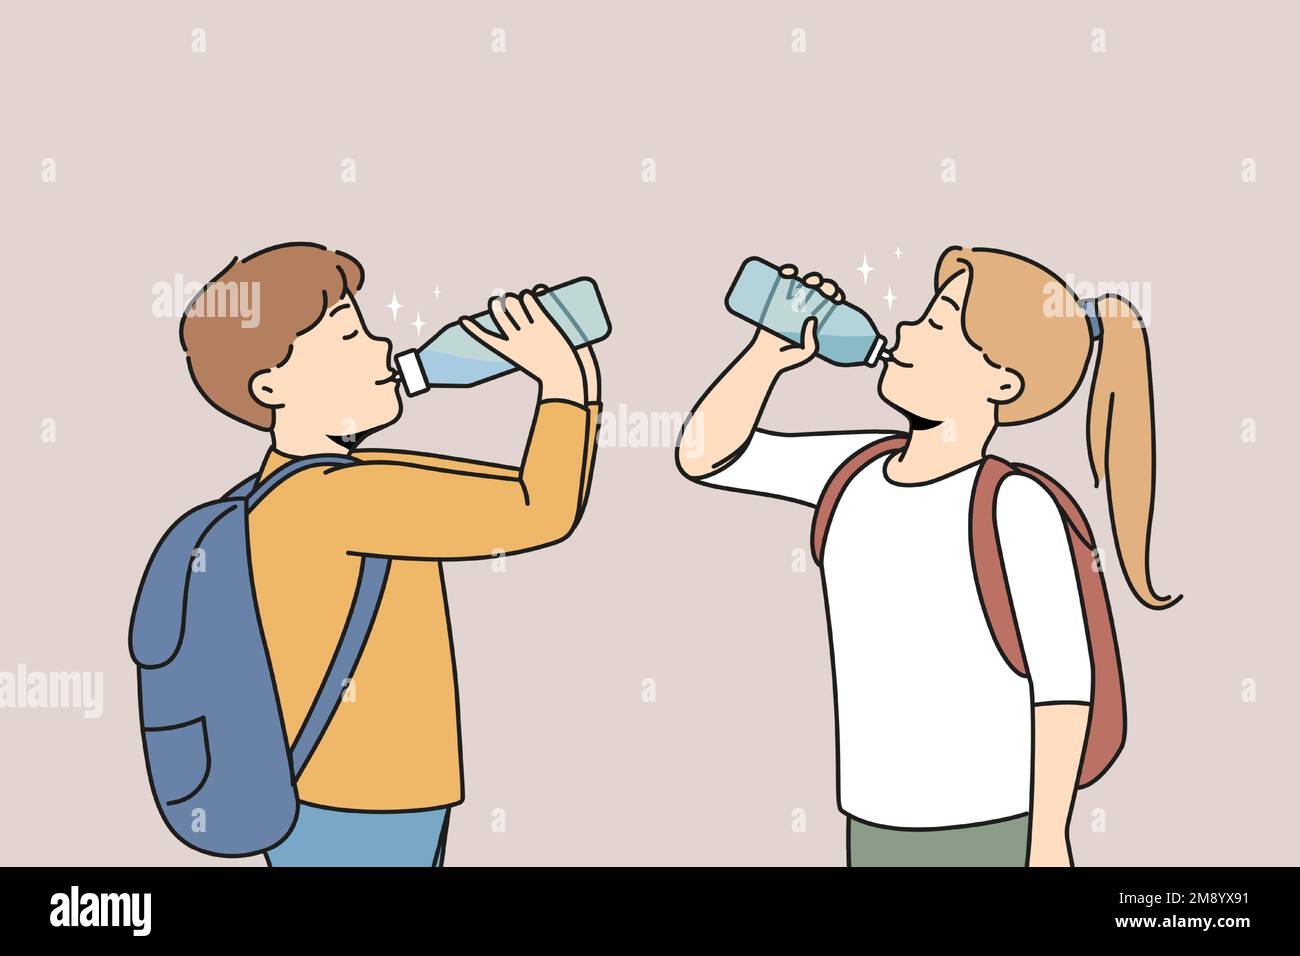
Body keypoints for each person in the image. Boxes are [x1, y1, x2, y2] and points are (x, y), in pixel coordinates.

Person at [677, 247, 1178, 866]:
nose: (906, 331)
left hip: (991, 826)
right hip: (874, 822)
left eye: (938, 323)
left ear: (1002, 382)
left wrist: (1049, 841)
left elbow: (1065, 685)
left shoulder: (1014, 504)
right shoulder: (855, 469)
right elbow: (704, 456)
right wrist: (766, 357)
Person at [179, 242, 601, 865]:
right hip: (362, 800)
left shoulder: (315, 483)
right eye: (348, 337)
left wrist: (565, 379)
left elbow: (514, 494)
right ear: (271, 385)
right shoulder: (336, 499)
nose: (381, 348)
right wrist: (563, 382)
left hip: (344, 794)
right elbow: (541, 507)